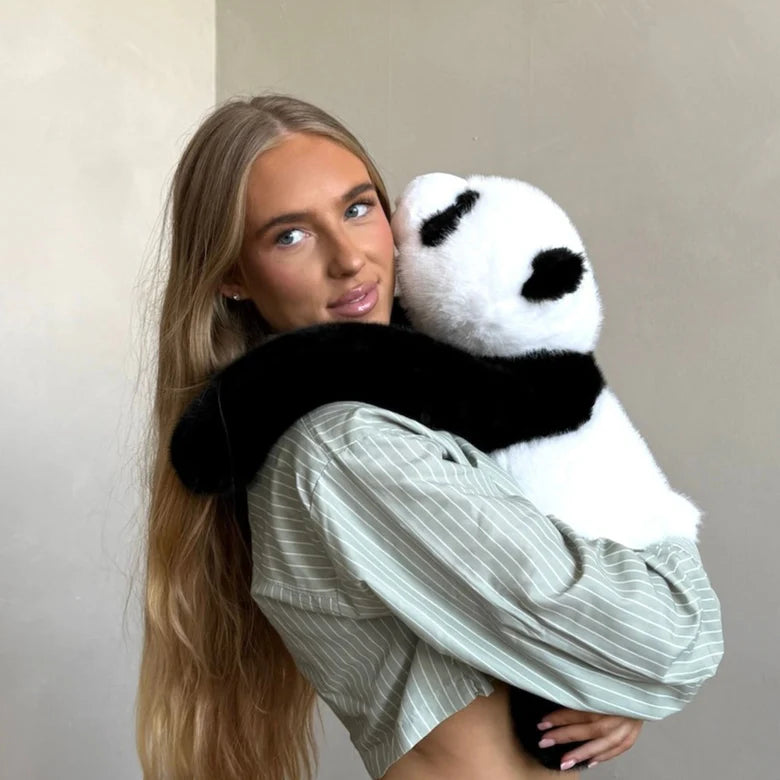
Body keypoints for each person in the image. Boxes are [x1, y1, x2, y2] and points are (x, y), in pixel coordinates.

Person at [136, 94, 723, 780]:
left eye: (358, 209)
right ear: (233, 276)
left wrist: (613, 678)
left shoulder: (402, 413)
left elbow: (608, 644)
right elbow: (661, 640)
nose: (349, 259)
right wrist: (638, 648)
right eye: (289, 236)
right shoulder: (346, 448)